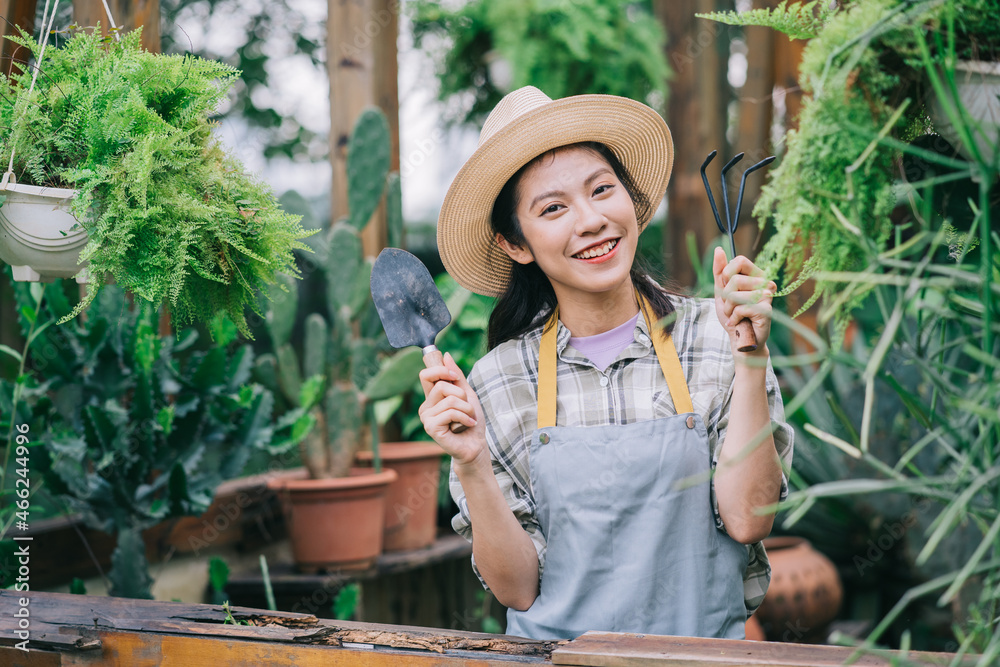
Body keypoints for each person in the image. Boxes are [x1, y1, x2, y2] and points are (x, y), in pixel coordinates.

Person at [419, 86, 793, 641]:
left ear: (632, 200)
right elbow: (518, 588)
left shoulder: (717, 338)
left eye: (602, 189)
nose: (591, 220)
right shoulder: (498, 383)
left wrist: (751, 359)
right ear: (516, 244)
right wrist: (471, 462)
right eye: (553, 208)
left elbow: (749, 519)